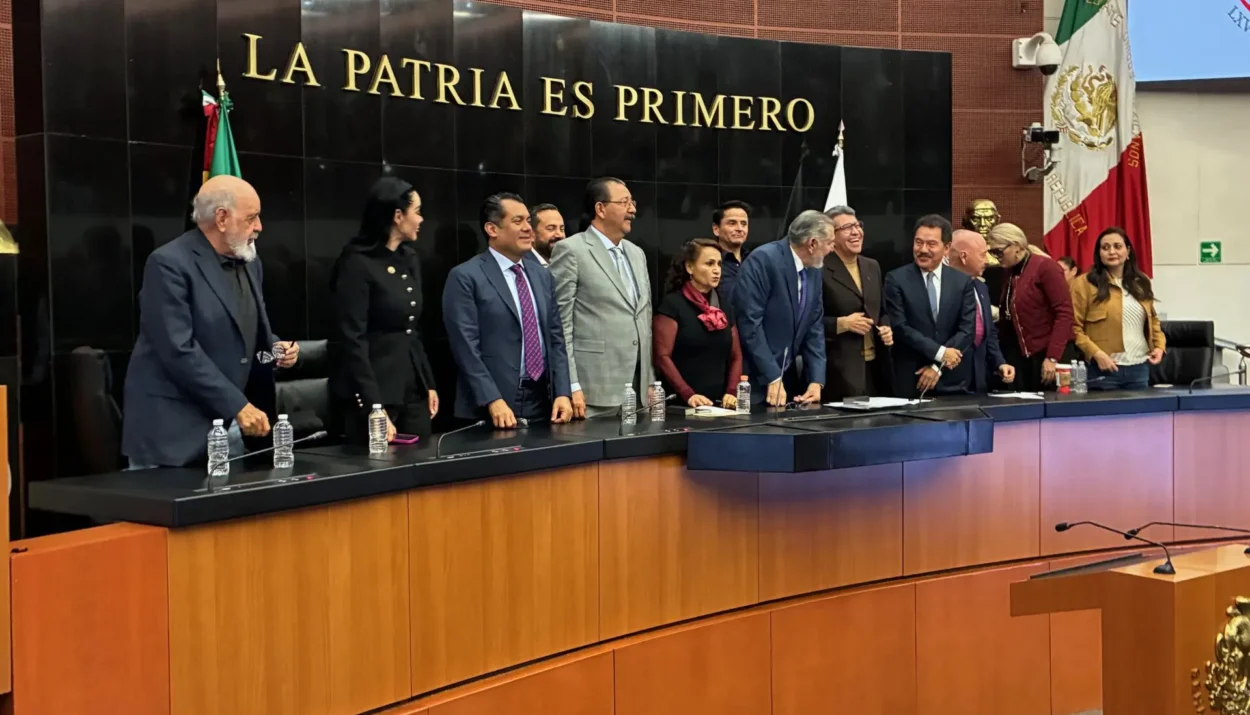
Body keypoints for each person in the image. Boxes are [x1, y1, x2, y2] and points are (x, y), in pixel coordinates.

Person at [122, 175, 299, 468]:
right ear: (221, 218)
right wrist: (237, 405)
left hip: (231, 429)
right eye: (251, 218)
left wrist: (275, 349)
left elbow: (245, 332)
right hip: (173, 434)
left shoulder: (250, 262)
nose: (259, 227)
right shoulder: (168, 264)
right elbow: (177, 349)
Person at [443, 194, 572, 428]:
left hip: (543, 401)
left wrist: (563, 391)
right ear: (492, 229)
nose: (528, 228)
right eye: (517, 221)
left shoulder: (542, 275)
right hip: (492, 406)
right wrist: (492, 399)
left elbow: (556, 339)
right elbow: (465, 348)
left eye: (528, 221)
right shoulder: (466, 276)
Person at [331, 177, 440, 443]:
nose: (421, 219)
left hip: (411, 386)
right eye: (417, 211)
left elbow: (411, 328)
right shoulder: (357, 263)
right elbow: (352, 338)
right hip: (375, 388)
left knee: (424, 457)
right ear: (398, 215)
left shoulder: (408, 258)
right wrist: (373, 405)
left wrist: (427, 382)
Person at [549, 177, 653, 419]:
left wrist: (649, 379)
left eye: (632, 202)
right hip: (592, 392)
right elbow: (561, 325)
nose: (632, 209)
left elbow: (644, 318)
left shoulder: (637, 253)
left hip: (636, 392)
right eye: (624, 202)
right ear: (600, 209)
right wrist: (570, 385)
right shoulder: (571, 250)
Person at [733, 210, 832, 407]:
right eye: (830, 243)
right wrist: (772, 376)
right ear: (812, 243)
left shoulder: (814, 269)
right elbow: (750, 324)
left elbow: (814, 325)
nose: (832, 249)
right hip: (755, 379)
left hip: (789, 381)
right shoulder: (763, 260)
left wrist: (816, 380)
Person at [883, 215, 977, 398]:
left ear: (947, 248)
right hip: (911, 377)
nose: (923, 249)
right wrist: (940, 353)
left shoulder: (962, 281)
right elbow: (900, 327)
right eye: (918, 243)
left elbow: (967, 330)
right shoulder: (896, 279)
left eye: (931, 244)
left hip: (952, 379)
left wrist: (937, 366)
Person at [1070, 227, 1165, 390]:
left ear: (1128, 251)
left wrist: (1159, 346)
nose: (1112, 252)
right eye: (1105, 247)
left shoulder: (1141, 281)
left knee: (1140, 408)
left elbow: (1153, 320)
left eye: (1117, 246)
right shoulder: (1084, 284)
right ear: (1099, 254)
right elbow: (1073, 327)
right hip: (1103, 369)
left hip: (1139, 368)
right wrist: (1096, 353)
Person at [653, 239, 743, 409]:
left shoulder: (724, 306)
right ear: (690, 267)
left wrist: (731, 392)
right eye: (709, 264)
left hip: (719, 405)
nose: (716, 270)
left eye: (719, 264)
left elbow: (736, 355)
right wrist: (688, 394)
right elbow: (661, 357)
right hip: (682, 404)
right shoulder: (673, 304)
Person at [987, 223, 1074, 391]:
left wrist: (1052, 357)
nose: (996, 257)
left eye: (999, 251)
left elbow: (1064, 313)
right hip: (1021, 355)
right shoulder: (1009, 272)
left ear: (1016, 246)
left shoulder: (1046, 267)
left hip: (1048, 353)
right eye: (992, 252)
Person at [821, 205, 893, 401]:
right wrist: (842, 324)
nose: (855, 232)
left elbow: (882, 311)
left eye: (857, 225)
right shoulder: (819, 269)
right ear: (831, 236)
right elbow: (808, 321)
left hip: (876, 369)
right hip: (840, 373)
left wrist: (886, 327)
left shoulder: (872, 266)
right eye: (846, 228)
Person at [947, 230, 1014, 392]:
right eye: (983, 255)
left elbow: (988, 332)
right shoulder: (942, 288)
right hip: (948, 380)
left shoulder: (981, 287)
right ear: (963, 257)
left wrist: (999, 362)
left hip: (979, 380)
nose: (988, 261)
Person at [712, 200, 751, 304]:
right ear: (716, 229)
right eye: (732, 223)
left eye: (744, 224)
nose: (739, 229)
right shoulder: (709, 263)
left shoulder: (754, 261)